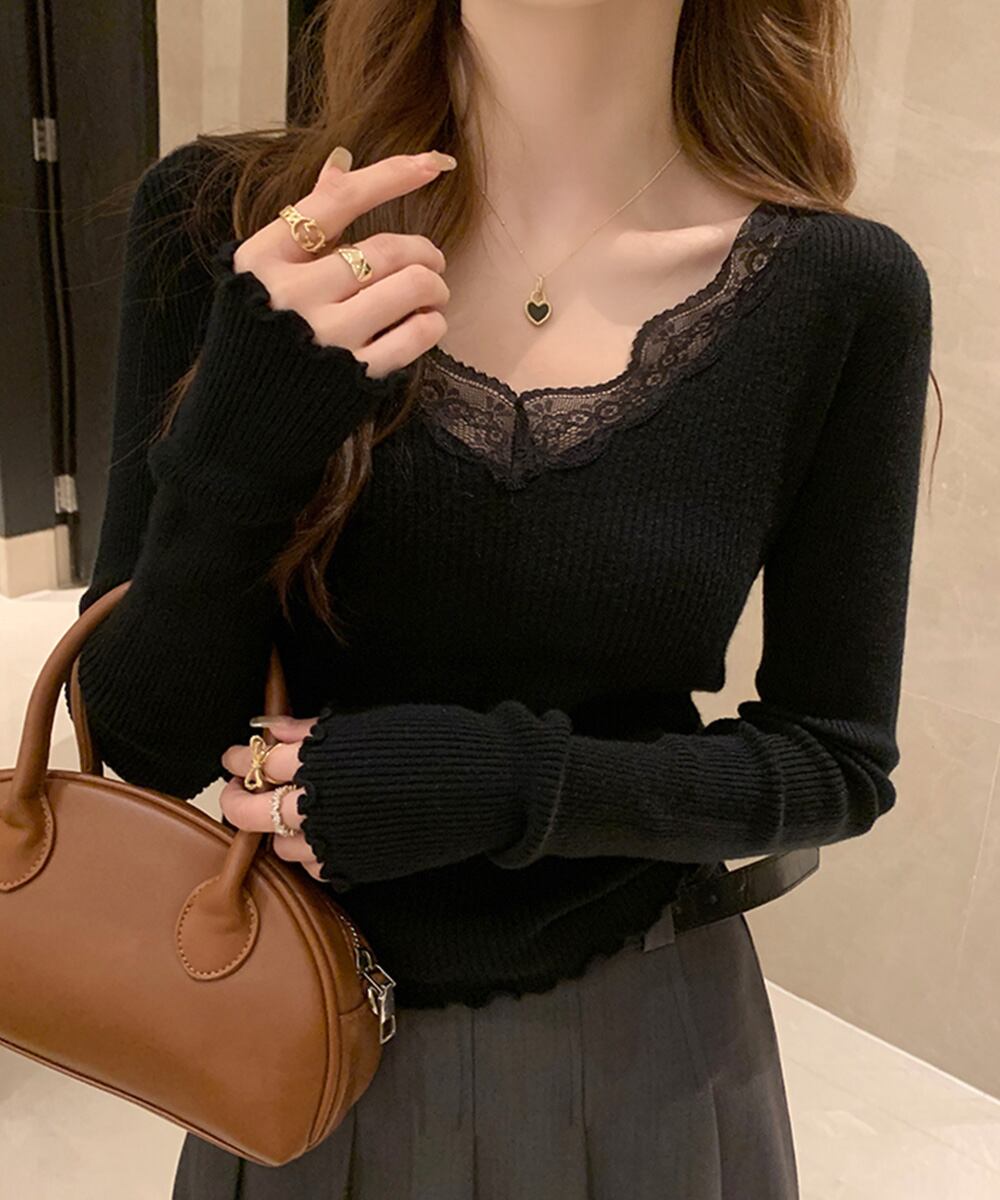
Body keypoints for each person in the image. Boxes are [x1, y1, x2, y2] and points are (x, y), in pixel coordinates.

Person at [72, 0, 936, 1196]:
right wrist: (241, 434)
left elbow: (832, 760)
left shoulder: (842, 289)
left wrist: (493, 784)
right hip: (289, 1027)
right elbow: (144, 738)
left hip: (645, 1050)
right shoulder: (231, 223)